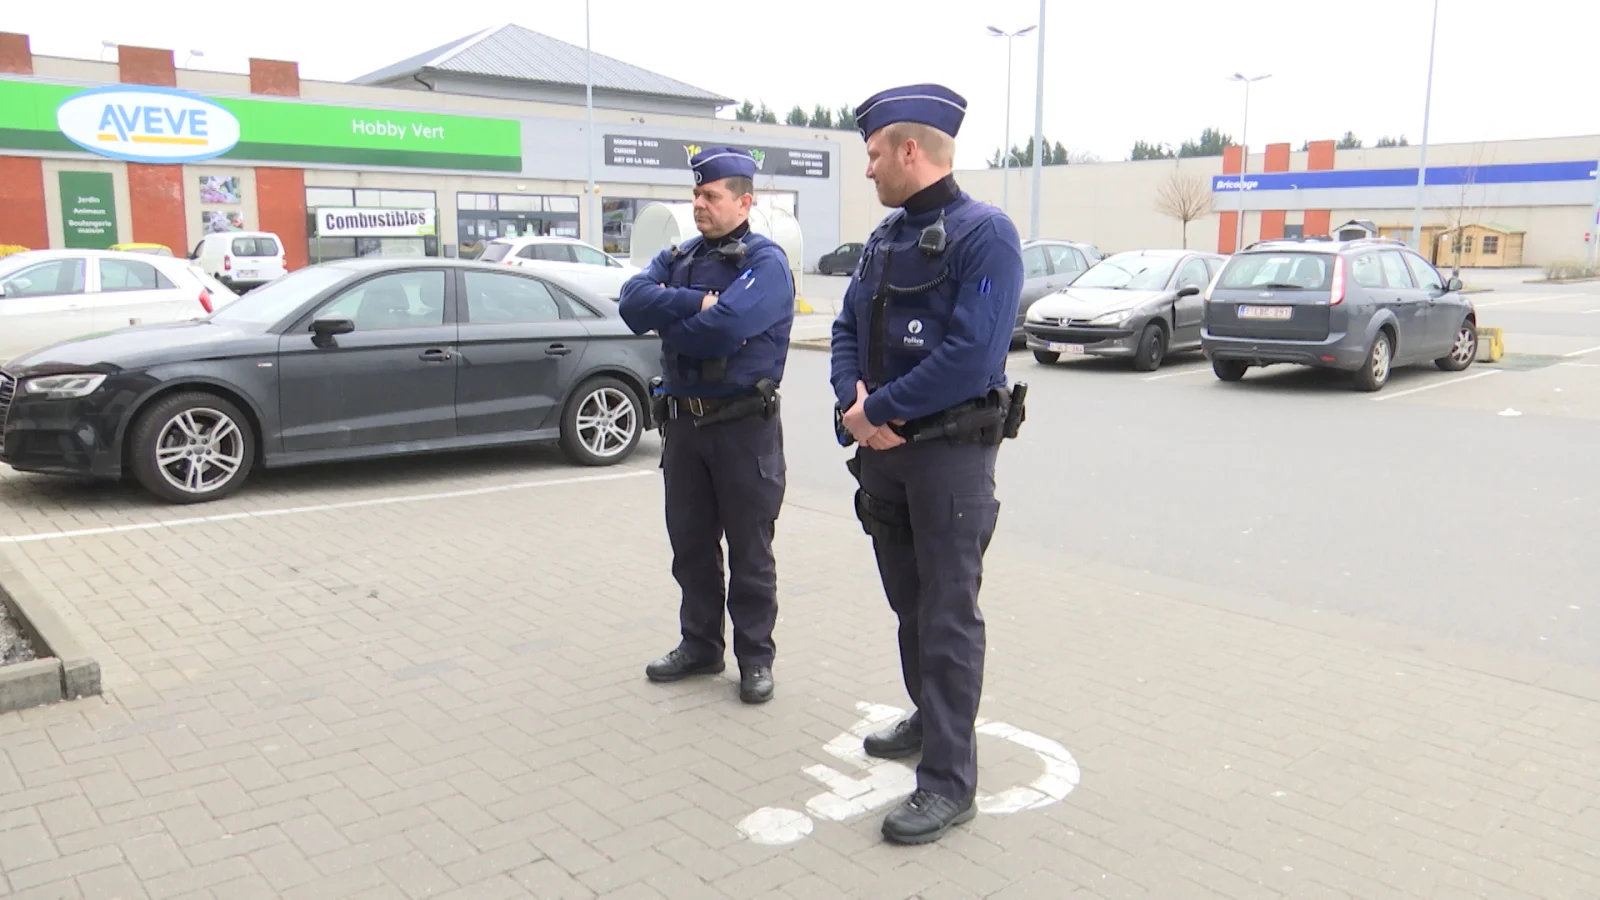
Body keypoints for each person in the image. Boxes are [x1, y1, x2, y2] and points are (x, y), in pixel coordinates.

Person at [829, 84, 1026, 845]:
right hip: (885, 460)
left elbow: (971, 357)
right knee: (909, 605)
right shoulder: (884, 238)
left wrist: (874, 413)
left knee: (947, 617)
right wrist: (854, 399)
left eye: (875, 153)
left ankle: (949, 781)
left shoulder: (986, 234)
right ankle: (927, 716)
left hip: (947, 460)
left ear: (911, 150)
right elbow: (847, 326)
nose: (870, 167)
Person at [618, 146, 795, 705]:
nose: (699, 203)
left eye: (711, 195)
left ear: (745, 201)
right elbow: (630, 303)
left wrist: (674, 321)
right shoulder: (681, 256)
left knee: (750, 550)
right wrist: (697, 303)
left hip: (743, 428)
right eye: (695, 194)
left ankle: (755, 659)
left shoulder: (764, 264)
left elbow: (726, 330)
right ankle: (700, 645)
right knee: (690, 545)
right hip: (686, 431)